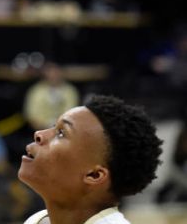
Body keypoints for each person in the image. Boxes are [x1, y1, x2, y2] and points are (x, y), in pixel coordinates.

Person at [19, 95, 163, 224]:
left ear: (94, 175)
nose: (39, 134)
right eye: (53, 126)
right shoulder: (37, 220)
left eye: (61, 133)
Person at [24, 62, 80, 132]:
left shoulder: (70, 91)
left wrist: (60, 127)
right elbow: (32, 115)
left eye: (56, 72)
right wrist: (44, 128)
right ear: (44, 74)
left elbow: (72, 113)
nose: (53, 75)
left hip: (64, 130)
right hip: (40, 130)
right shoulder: (36, 91)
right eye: (50, 72)